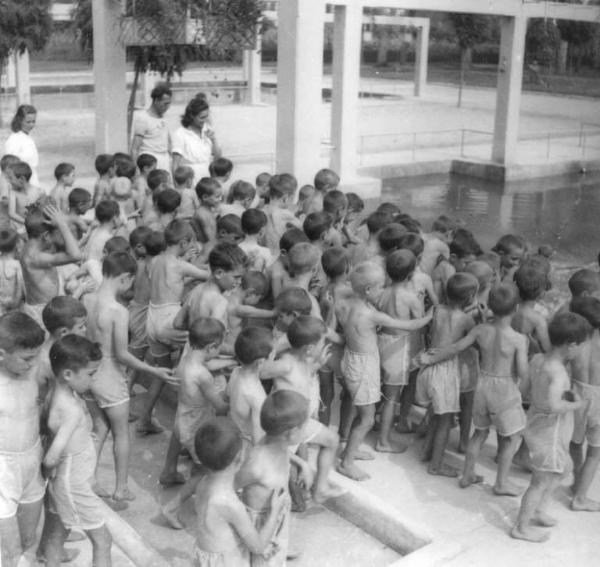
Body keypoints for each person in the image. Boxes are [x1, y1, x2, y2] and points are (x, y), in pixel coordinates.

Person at [416, 283, 529, 496]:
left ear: (492, 308)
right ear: (515, 309)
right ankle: (502, 483)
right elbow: (522, 371)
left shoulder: (480, 329)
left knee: (480, 432)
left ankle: (468, 473)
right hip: (504, 389)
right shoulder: (518, 339)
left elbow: (456, 347)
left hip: (482, 384)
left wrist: (431, 358)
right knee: (511, 437)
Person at [85, 251, 172, 508]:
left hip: (90, 374)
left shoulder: (90, 299)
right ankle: (121, 488)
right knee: (122, 434)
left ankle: (88, 479)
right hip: (110, 375)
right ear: (125, 278)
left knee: (98, 429)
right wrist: (153, 370)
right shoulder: (117, 310)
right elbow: (122, 355)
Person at [337, 262, 431, 481]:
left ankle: (350, 448)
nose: (383, 290)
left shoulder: (347, 305)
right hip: (364, 367)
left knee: (360, 411)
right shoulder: (372, 315)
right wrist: (428, 317)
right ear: (369, 290)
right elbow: (407, 326)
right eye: (381, 286)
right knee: (367, 419)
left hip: (352, 359)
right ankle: (346, 463)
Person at [511, 313, 590, 542]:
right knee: (540, 481)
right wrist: (575, 403)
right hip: (549, 432)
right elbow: (555, 405)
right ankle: (521, 527)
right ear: (571, 345)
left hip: (535, 422)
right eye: (581, 346)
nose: (580, 351)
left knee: (563, 469)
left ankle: (537, 510)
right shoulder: (558, 372)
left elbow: (524, 388)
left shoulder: (537, 359)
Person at [39, 335, 113, 566]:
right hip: (73, 484)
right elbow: (51, 457)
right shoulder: (70, 410)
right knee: (103, 539)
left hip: (69, 481)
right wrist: (51, 471)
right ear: (68, 374)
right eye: (90, 374)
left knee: (57, 534)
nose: (93, 379)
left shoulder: (58, 395)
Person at [160, 318, 234, 527]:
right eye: (217, 349)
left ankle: (199, 499)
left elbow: (209, 363)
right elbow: (220, 407)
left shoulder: (186, 362)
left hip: (184, 420)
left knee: (198, 465)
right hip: (197, 425)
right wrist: (230, 393)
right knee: (203, 470)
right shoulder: (202, 375)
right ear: (211, 347)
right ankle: (172, 507)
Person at [192, 417, 287, 565]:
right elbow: (258, 547)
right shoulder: (230, 504)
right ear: (240, 457)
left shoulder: (203, 484)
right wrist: (274, 511)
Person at [236, 390, 312, 567]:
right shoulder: (257, 464)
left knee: (278, 550)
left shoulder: (276, 441)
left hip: (277, 512)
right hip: (261, 524)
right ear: (292, 432)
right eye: (305, 425)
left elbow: (284, 452)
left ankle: (281, 551)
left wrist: (303, 464)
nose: (308, 428)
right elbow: (230, 487)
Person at [415, 273, 478, 476]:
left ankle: (426, 452)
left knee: (435, 413)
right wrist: (483, 318)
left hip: (428, 366)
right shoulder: (467, 319)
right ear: (470, 297)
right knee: (445, 421)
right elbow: (474, 340)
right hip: (446, 371)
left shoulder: (435, 310)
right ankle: (436, 465)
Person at [0, 312, 46, 567]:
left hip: (32, 460)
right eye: (27, 358)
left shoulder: (33, 370)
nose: (33, 363)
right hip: (4, 468)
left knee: (30, 542)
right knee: (9, 553)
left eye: (36, 356)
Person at [568, 296, 600, 512]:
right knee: (595, 452)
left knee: (575, 442)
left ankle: (577, 480)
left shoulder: (575, 346)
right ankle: (580, 497)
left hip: (576, 395)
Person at [228, 326, 272, 445]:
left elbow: (227, 397)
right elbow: (258, 438)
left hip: (234, 429)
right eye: (272, 356)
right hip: (245, 442)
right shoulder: (256, 396)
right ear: (261, 361)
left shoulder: (235, 372)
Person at [172, 95, 222, 186]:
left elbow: (218, 158)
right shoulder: (180, 133)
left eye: (206, 116)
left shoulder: (207, 130)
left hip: (208, 177)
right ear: (191, 116)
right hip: (190, 179)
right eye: (201, 117)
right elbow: (175, 163)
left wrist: (214, 140)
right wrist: (178, 187)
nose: (205, 120)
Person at [131, 83, 172, 171]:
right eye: (165, 104)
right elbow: (135, 148)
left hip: (164, 160)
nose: (167, 107)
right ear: (156, 100)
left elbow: (168, 142)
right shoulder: (143, 118)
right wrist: (136, 170)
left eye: (169, 104)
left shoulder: (166, 117)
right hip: (149, 161)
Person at [5, 104, 40, 188]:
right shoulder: (14, 139)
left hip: (32, 182)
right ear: (20, 120)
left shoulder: (28, 138)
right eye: (28, 122)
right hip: (22, 186)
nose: (31, 125)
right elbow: (10, 166)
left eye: (33, 121)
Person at [0, 228, 25, 316]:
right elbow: (20, 288)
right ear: (17, 245)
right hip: (12, 305)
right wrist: (15, 304)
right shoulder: (16, 265)